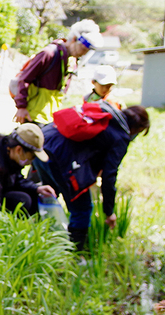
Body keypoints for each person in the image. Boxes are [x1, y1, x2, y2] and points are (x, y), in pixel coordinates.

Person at [33, 104, 150, 250]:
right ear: (137, 128)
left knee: (49, 193)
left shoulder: (105, 111)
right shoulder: (121, 136)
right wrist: (109, 212)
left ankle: (40, 239)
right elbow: (109, 176)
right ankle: (73, 255)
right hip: (60, 157)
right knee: (82, 209)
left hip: (41, 143)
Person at [12, 19, 104, 124]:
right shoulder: (49, 53)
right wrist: (21, 106)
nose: (83, 54)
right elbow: (24, 79)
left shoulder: (71, 61)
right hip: (33, 115)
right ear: (74, 39)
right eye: (83, 49)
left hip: (50, 118)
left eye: (87, 51)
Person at [0, 124, 56, 215]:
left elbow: (16, 180)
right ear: (19, 150)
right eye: (32, 156)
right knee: (22, 200)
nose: (31, 162)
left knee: (33, 196)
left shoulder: (7, 152)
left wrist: (37, 189)